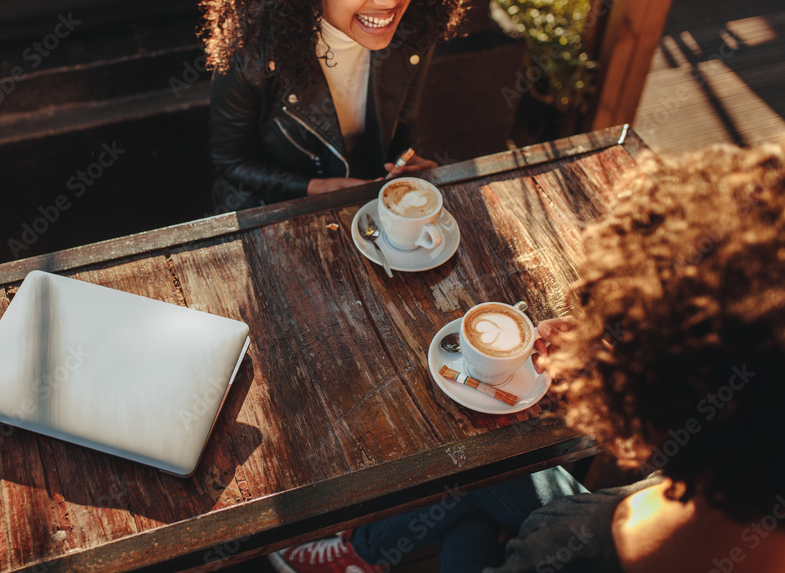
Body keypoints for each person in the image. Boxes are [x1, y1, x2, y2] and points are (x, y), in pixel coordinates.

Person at [271, 142, 785, 573]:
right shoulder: (746, 461)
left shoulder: (565, 550)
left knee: (479, 466)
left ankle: (361, 550)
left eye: (625, 328)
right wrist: (607, 348)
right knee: (486, 470)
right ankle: (364, 552)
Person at [199, 0, 470, 209]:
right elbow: (232, 164)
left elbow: (402, 124)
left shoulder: (415, 33)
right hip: (276, 213)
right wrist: (315, 188)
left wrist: (405, 162)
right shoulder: (251, 55)